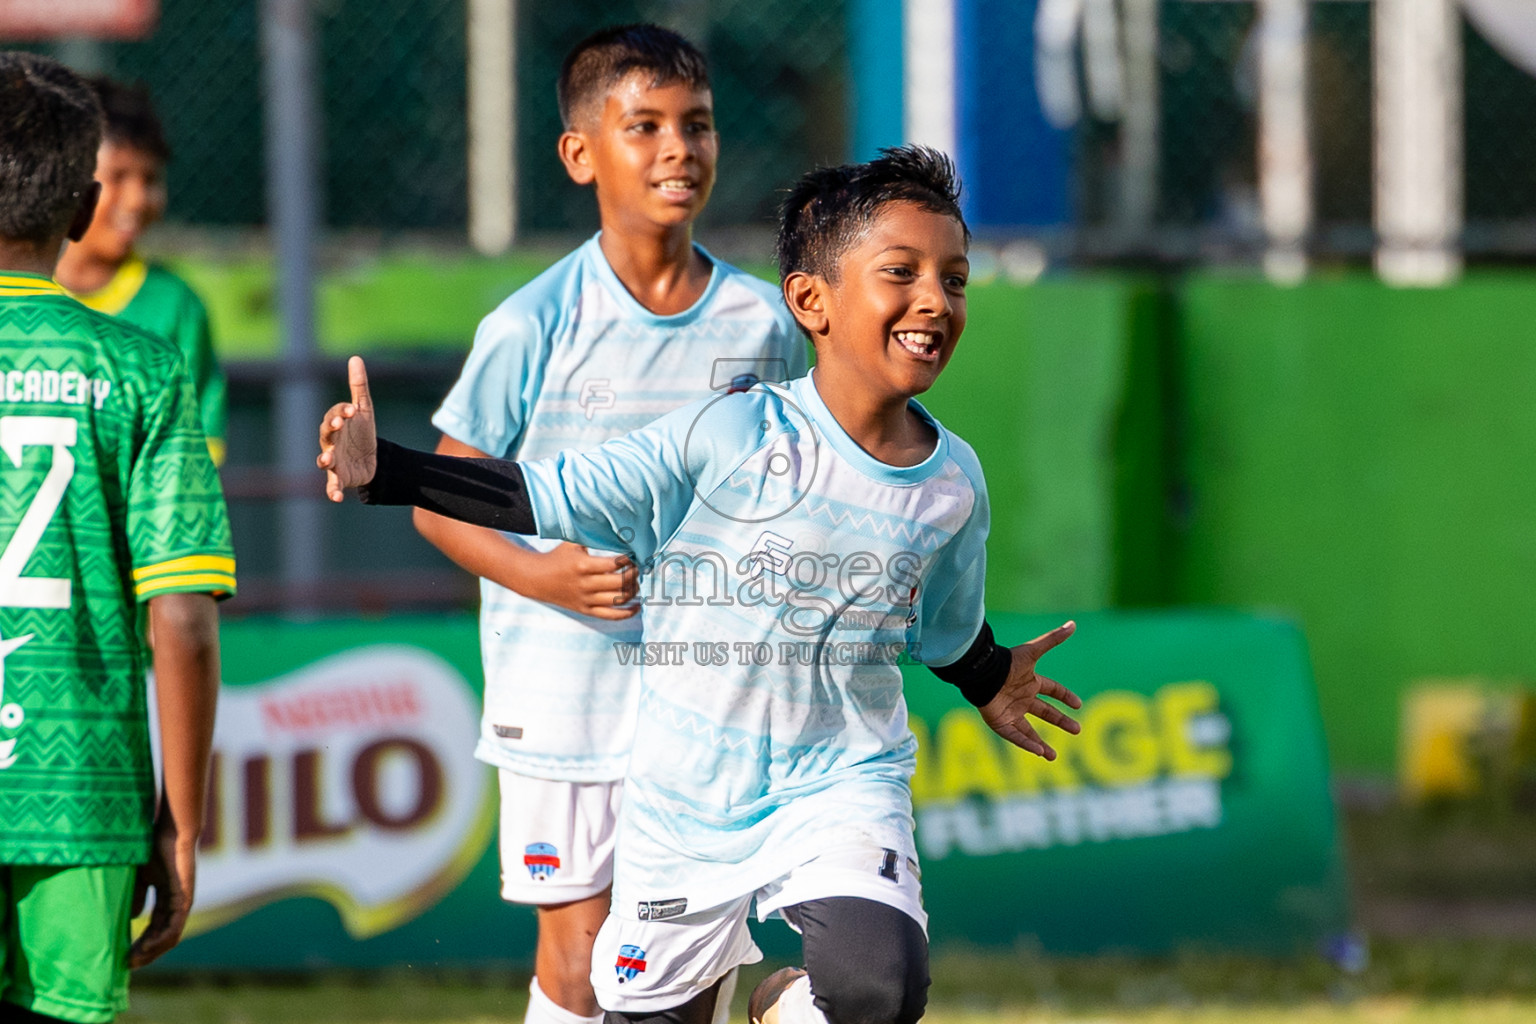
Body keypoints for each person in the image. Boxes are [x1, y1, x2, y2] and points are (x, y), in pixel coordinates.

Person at [320, 146, 1078, 1024]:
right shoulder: (730, 434)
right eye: (900, 273)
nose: (934, 303)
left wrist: (989, 676)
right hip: (685, 802)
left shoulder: (954, 482)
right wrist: (392, 472)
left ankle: (793, 1003)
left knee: (880, 988)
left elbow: (943, 627)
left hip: (840, 782)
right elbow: (553, 493)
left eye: (955, 279)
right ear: (811, 302)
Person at [412, 24, 805, 1024]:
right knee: (586, 968)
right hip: (564, 700)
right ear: (581, 153)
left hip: (708, 701)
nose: (680, 148)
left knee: (684, 973)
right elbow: (439, 502)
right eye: (646, 126)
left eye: (698, 124)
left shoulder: (763, 323)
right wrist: (543, 575)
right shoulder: (530, 323)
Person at [0, 53, 235, 1023]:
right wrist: (181, 821)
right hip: (84, 793)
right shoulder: (142, 366)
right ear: (88, 199)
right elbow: (180, 620)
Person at [54, 76, 227, 467]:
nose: (137, 199)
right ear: (66, 178)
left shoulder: (175, 307)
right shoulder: (18, 299)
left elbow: (193, 457)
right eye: (118, 177)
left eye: (149, 179)